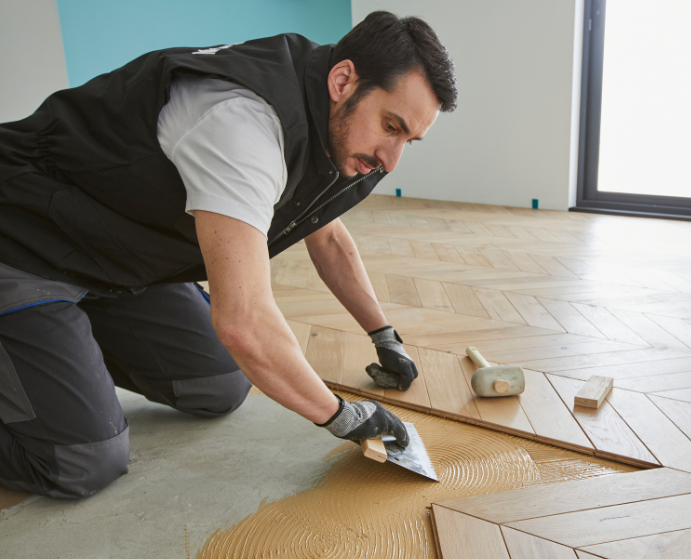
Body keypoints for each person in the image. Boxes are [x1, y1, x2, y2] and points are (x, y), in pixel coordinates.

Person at [0, 11, 457, 498]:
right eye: (391, 126)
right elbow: (243, 323)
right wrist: (342, 414)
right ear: (343, 80)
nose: (391, 159)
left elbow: (325, 234)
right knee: (82, 461)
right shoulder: (241, 124)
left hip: (113, 259)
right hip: (25, 238)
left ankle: (52, 348)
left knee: (219, 384)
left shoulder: (328, 125)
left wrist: (383, 334)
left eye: (409, 140)